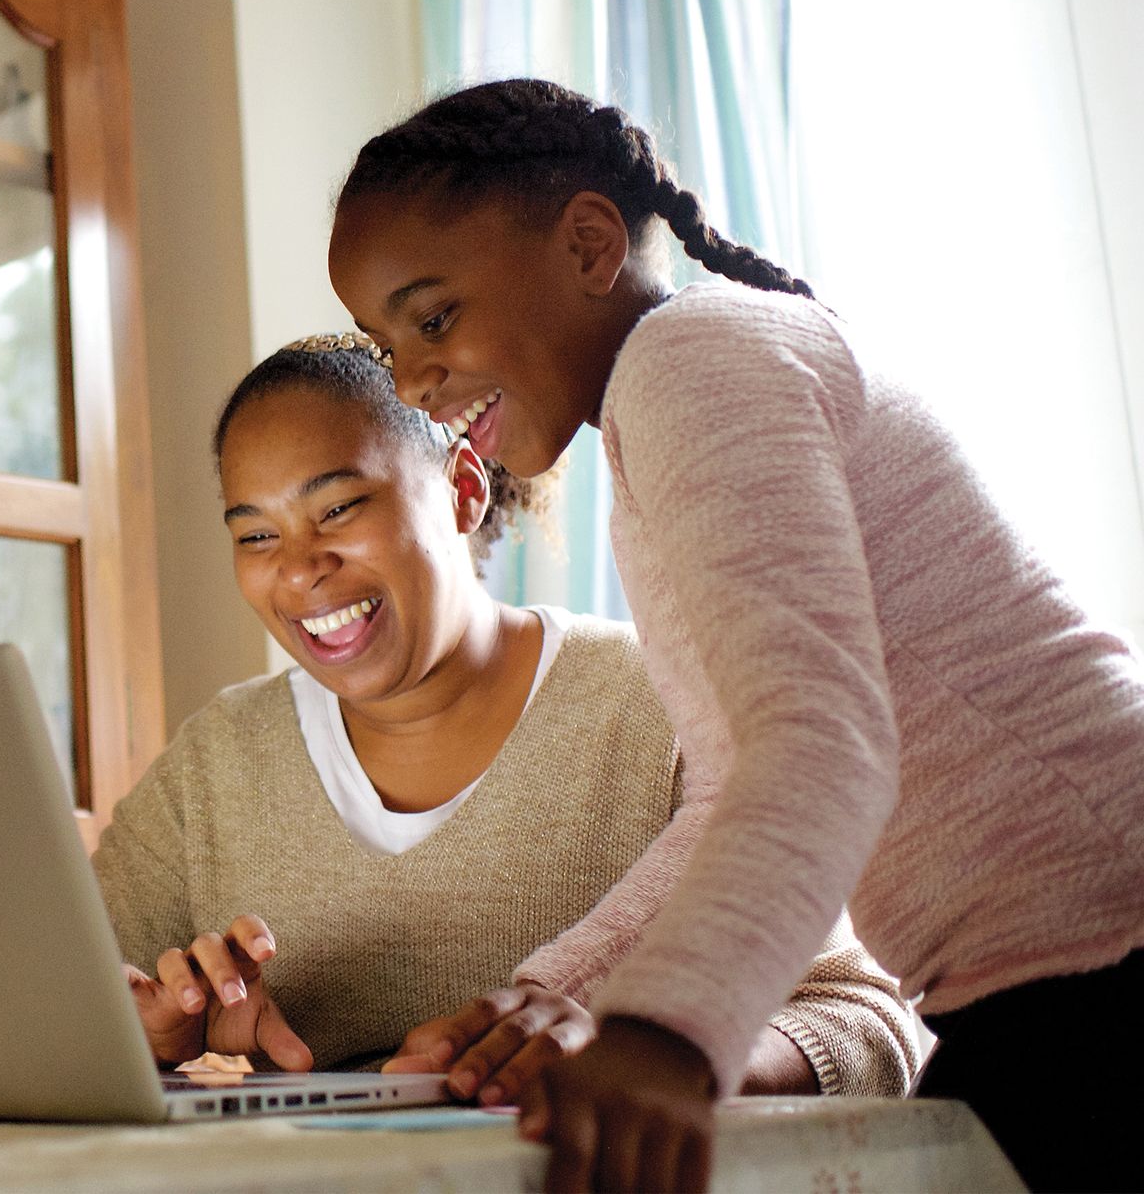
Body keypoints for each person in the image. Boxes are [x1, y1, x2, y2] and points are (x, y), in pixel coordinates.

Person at [325, 77, 1144, 1193]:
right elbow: (732, 792)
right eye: (387, 345)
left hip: (1108, 950)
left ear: (587, 243)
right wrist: (551, 997)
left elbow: (824, 749)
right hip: (1047, 973)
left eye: (432, 318)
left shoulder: (691, 365)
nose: (414, 381)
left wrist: (668, 1032)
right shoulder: (661, 414)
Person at [90, 337, 920, 1103]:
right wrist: (161, 1045)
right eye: (258, 534)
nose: (301, 568)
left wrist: (641, 1056)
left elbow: (871, 1025)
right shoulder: (216, 765)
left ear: (461, 489)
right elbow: (57, 1011)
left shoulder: (659, 709)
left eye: (338, 509)